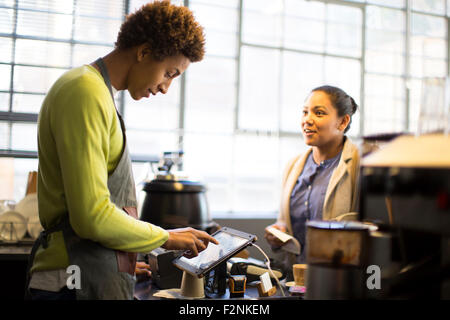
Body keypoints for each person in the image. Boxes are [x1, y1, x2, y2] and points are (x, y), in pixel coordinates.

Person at [26, 1, 217, 300]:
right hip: (71, 282)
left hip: (86, 274)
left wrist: (121, 260)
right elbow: (91, 216)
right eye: (169, 72)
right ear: (143, 51)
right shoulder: (85, 92)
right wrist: (165, 238)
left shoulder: (96, 93)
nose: (166, 87)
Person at [265, 85, 360, 268]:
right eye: (305, 112)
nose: (307, 120)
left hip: (340, 279)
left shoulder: (360, 164)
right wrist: (278, 233)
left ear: (342, 122)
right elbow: (284, 221)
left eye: (319, 113)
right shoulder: (293, 166)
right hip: (296, 278)